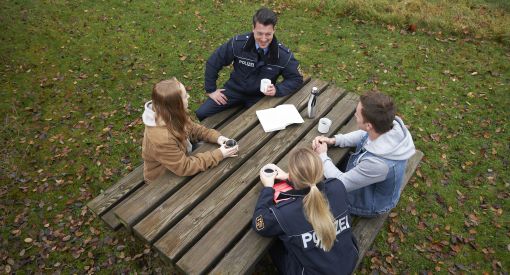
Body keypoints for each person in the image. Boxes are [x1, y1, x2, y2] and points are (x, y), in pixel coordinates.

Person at [252, 148, 359, 274]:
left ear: (292, 176)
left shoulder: (286, 212)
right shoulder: (337, 186)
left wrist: (268, 188)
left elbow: (259, 224)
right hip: (349, 261)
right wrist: (290, 177)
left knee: (275, 243)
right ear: (321, 171)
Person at [312, 91, 415, 217]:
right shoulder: (387, 128)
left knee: (315, 196)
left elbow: (341, 184)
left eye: (357, 114)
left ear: (369, 125)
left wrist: (322, 155)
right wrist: (334, 140)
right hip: (369, 182)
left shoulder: (379, 164)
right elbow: (363, 135)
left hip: (370, 204)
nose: (355, 114)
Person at [195, 7, 303, 121]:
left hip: (260, 97)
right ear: (253, 29)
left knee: (260, 127)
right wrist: (211, 90)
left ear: (274, 31)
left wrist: (277, 90)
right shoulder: (237, 44)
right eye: (259, 33)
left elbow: (296, 78)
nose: (263, 39)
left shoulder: (283, 55)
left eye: (268, 34)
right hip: (233, 91)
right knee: (202, 113)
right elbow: (214, 61)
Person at [141, 77, 238, 181]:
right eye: (185, 96)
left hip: (181, 157)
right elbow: (185, 167)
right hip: (164, 178)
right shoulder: (162, 138)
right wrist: (220, 154)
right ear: (175, 105)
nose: (189, 96)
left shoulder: (169, 112)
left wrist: (218, 138)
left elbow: (193, 129)